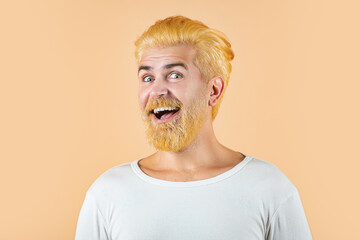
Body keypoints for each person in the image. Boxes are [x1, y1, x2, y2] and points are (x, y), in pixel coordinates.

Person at [75, 15, 312, 240]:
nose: (157, 91)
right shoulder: (107, 193)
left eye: (175, 75)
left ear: (213, 91)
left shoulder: (269, 187)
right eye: (147, 78)